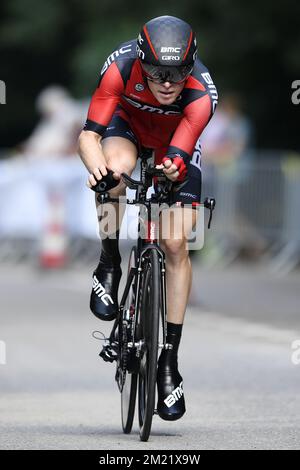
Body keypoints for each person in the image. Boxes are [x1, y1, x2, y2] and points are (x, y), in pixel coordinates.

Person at [78, 15, 218, 421]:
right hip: (128, 128)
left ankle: (169, 361)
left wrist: (172, 168)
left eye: (178, 72)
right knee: (116, 171)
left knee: (176, 242)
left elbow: (178, 154)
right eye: (157, 72)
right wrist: (99, 170)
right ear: (141, 62)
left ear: (191, 67)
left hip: (175, 140)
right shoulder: (119, 68)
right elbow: (88, 136)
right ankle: (109, 263)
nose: (168, 82)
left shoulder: (201, 95)